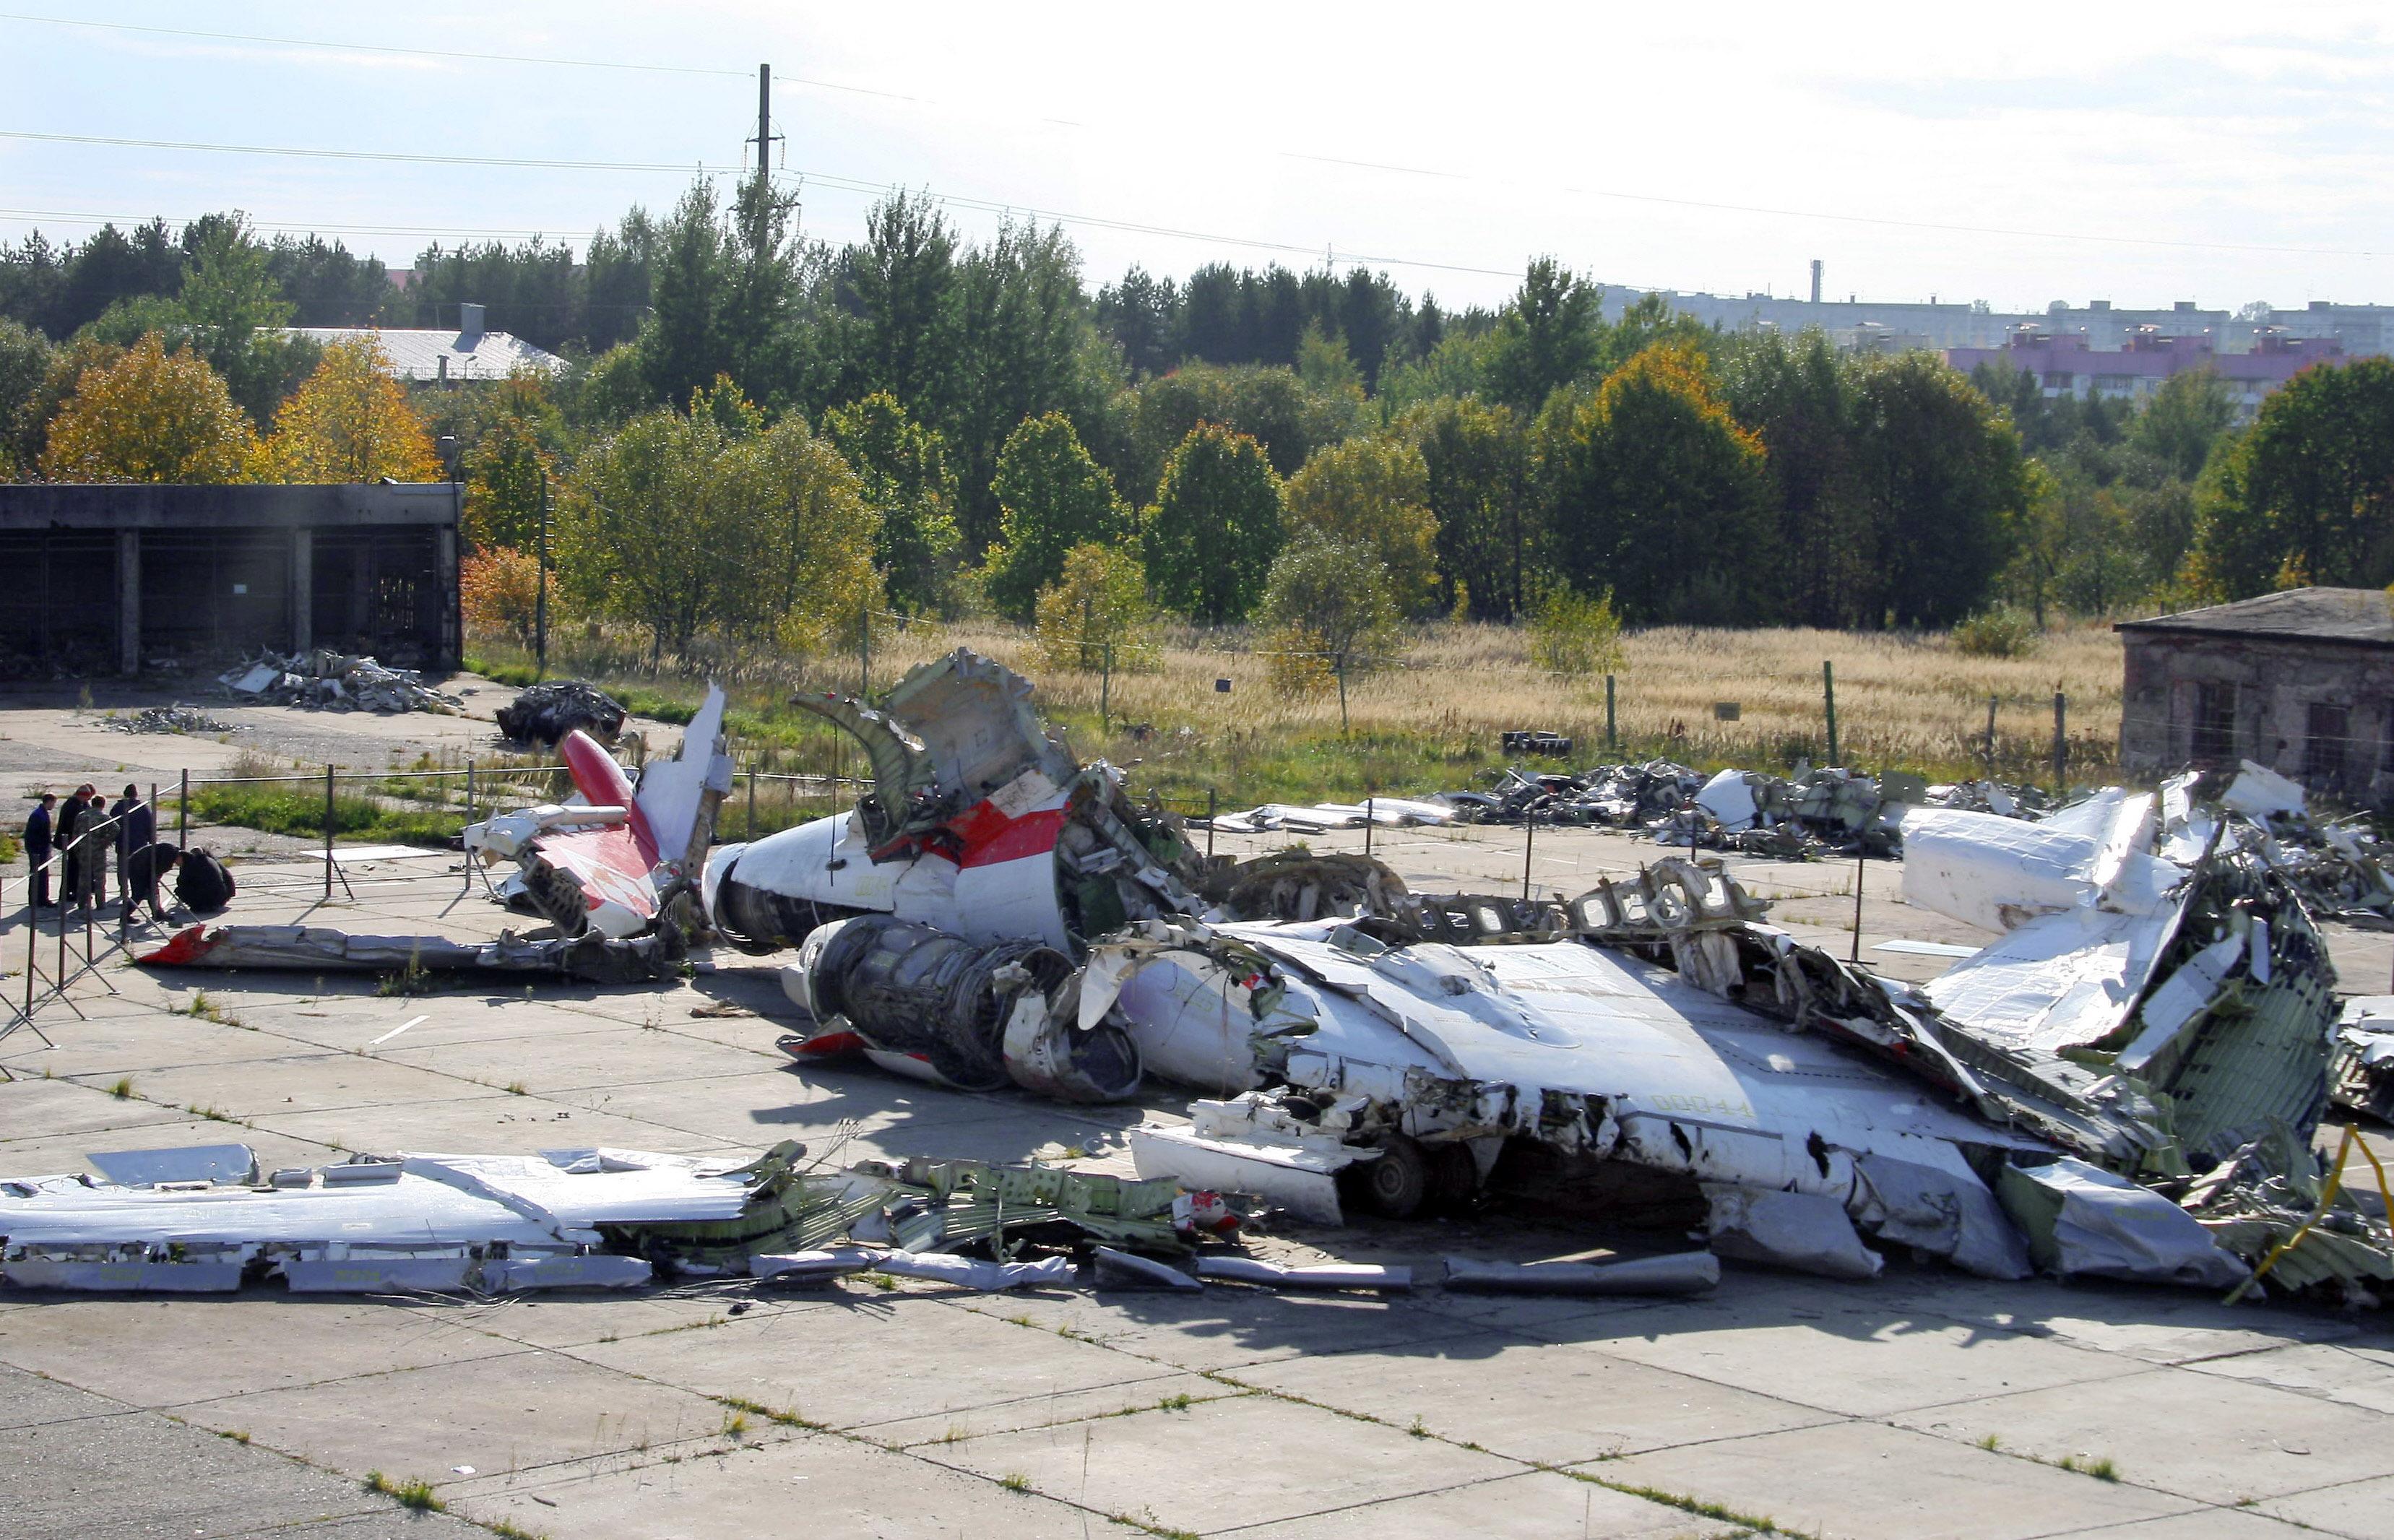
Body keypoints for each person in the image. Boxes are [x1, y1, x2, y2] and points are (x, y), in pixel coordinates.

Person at [111, 784, 154, 912]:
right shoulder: (143, 808)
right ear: (136, 794)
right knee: (139, 870)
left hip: (123, 843)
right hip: (139, 845)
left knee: (122, 869)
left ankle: (123, 890)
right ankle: (139, 891)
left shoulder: (118, 807)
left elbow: (112, 825)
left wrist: (114, 839)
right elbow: (150, 826)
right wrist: (151, 842)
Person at [121, 842, 182, 925]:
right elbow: (159, 868)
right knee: (139, 894)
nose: (180, 865)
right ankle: (125, 916)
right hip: (137, 867)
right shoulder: (169, 853)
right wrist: (154, 881)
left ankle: (158, 913)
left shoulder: (171, 852)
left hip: (143, 867)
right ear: (181, 857)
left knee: (153, 892)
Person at [56, 784, 90, 912]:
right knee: (71, 869)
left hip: (73, 842)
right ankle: (69, 892)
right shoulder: (72, 806)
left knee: (74, 869)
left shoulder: (77, 805)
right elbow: (73, 825)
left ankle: (72, 891)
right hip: (70, 842)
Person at [22, 792, 55, 910]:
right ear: (49, 801)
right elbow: (40, 834)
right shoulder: (39, 815)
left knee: (40, 874)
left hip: (38, 848)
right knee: (39, 875)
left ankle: (38, 899)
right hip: (38, 849)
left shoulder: (40, 813)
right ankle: (39, 899)